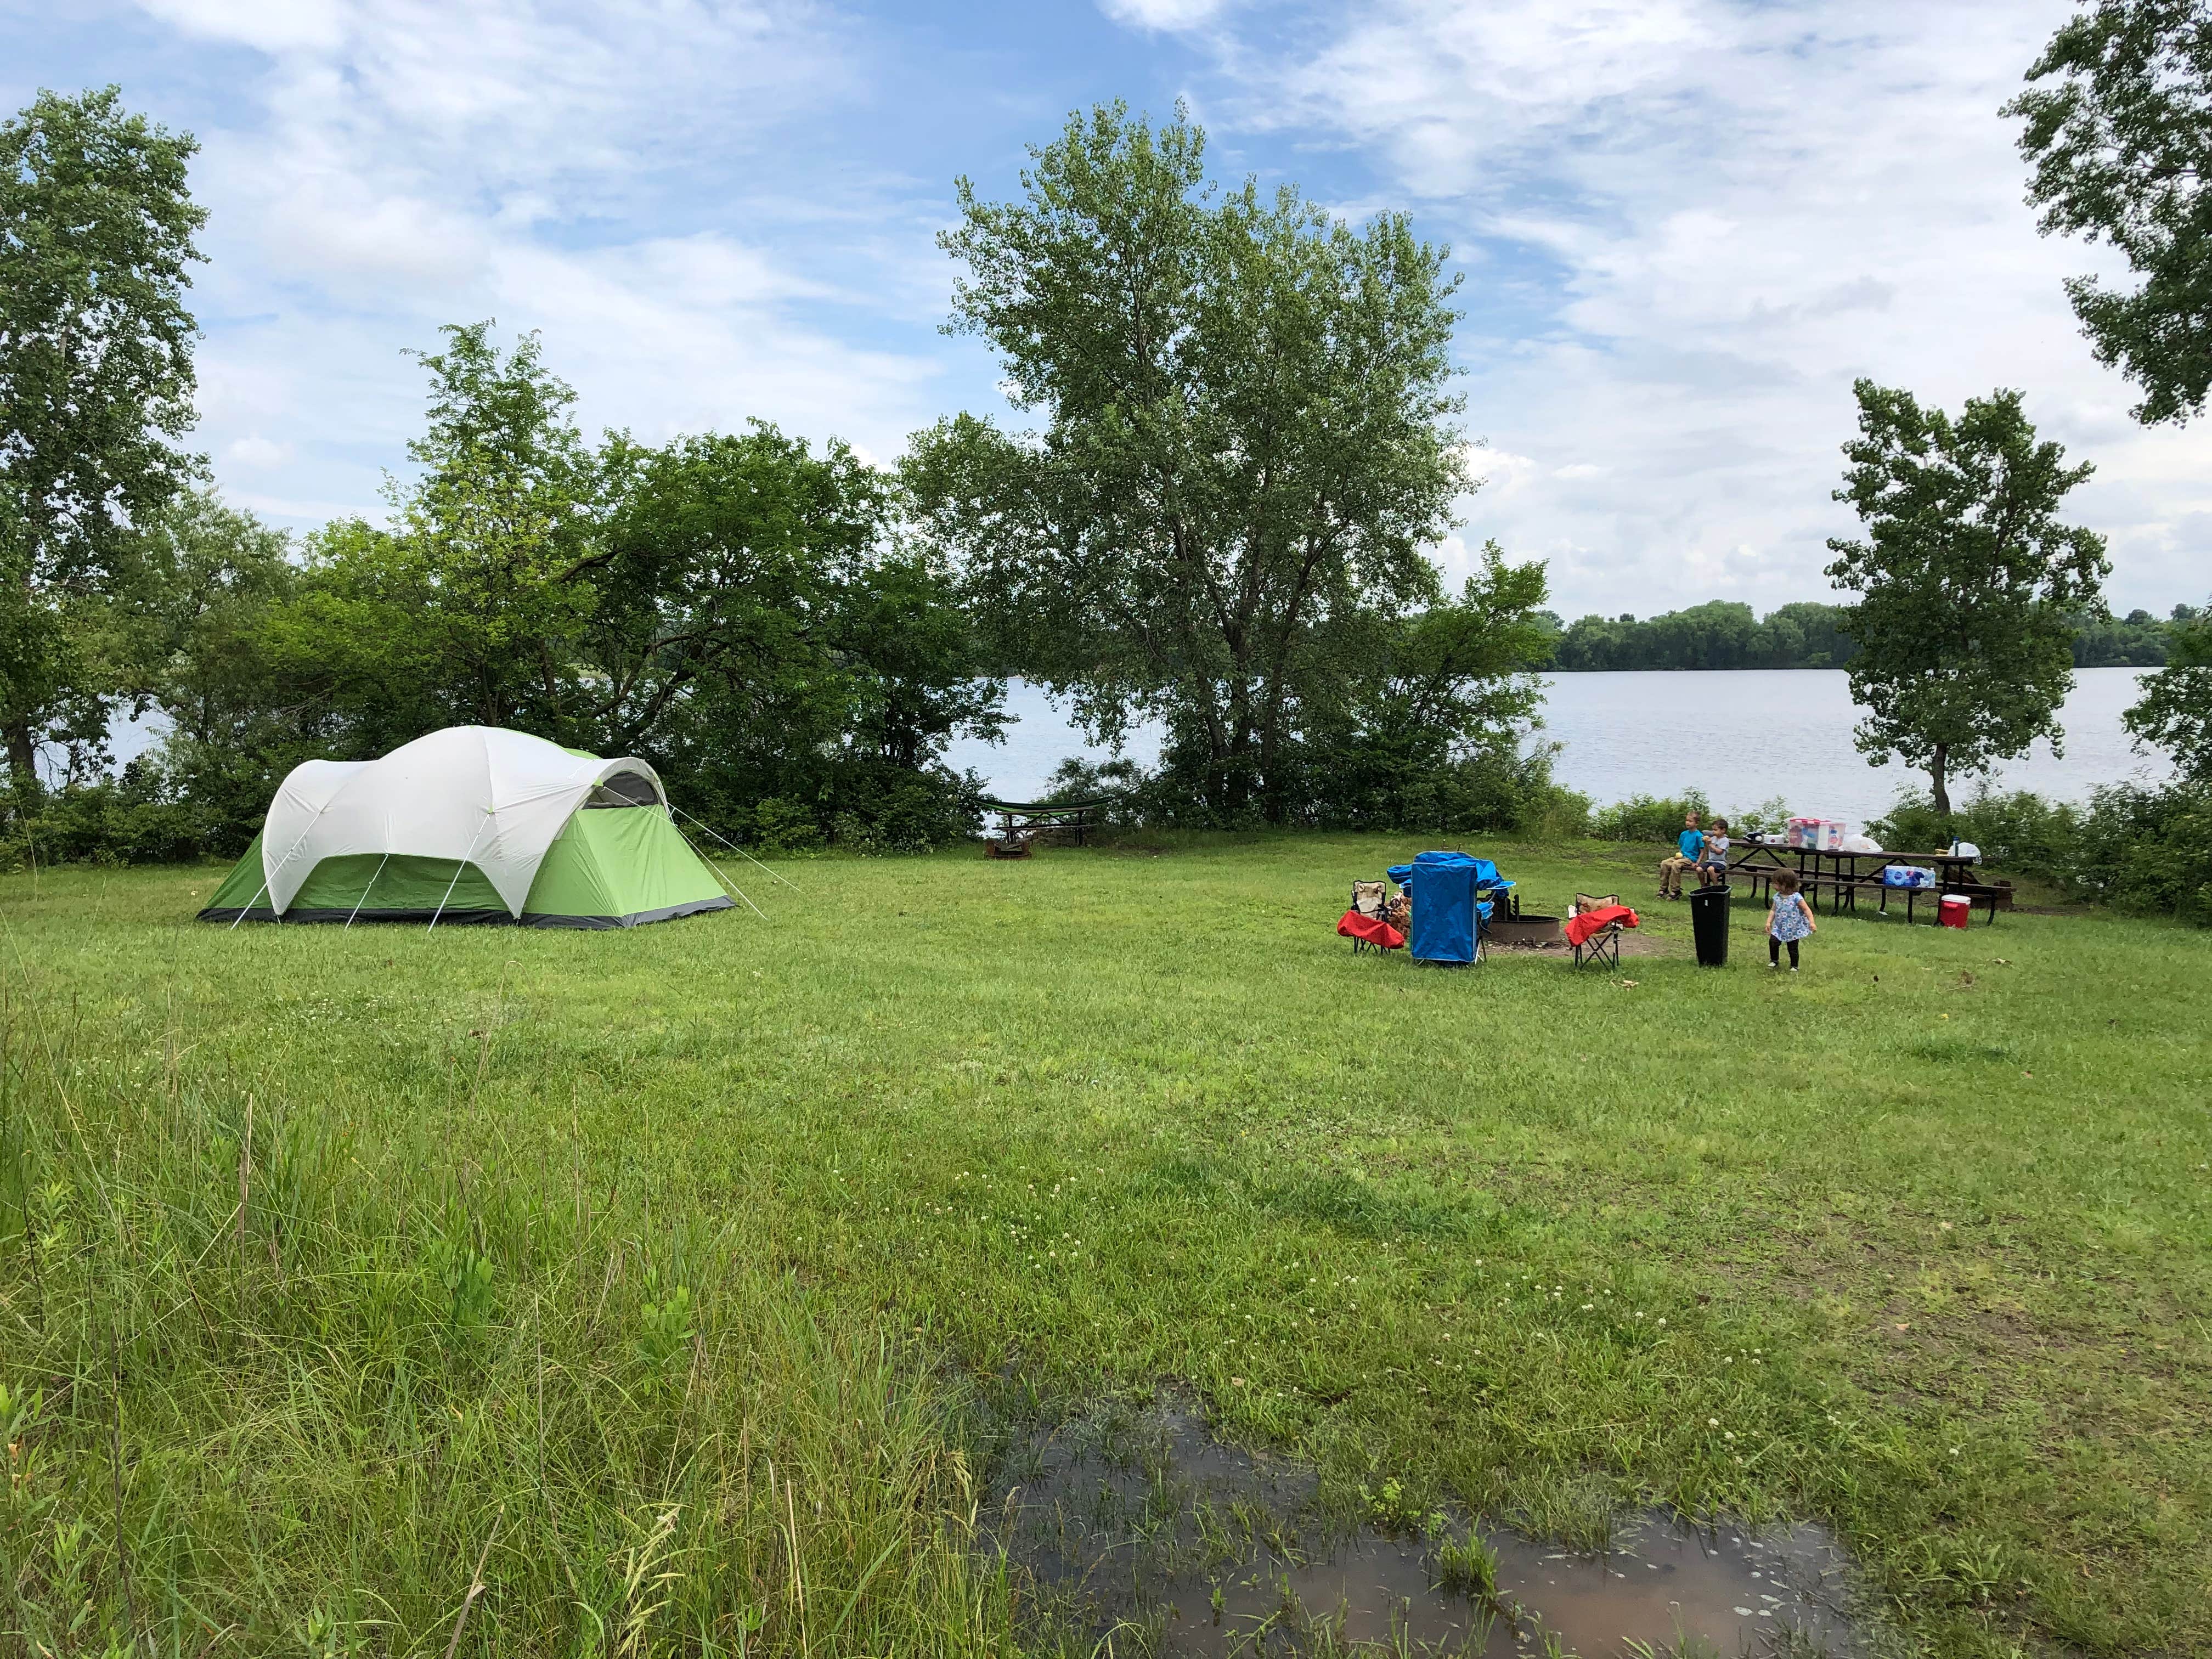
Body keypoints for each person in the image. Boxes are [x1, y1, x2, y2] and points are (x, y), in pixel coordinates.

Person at [1768, 869, 1816, 969]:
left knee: (1793, 947)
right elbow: (1773, 910)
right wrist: (1769, 922)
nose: (1773, 885)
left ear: (1784, 884)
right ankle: (1774, 960)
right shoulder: (1777, 897)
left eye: (1775, 883)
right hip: (1779, 927)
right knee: (1773, 942)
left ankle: (1794, 965)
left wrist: (1812, 922)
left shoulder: (1796, 897)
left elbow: (1806, 910)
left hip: (1793, 928)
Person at [1658, 811, 1702, 899]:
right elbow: (1682, 848)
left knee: (1676, 865)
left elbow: (1702, 851)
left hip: (1691, 858)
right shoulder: (1684, 834)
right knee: (1665, 863)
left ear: (1697, 823)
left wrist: (1697, 862)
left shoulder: (1699, 836)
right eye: (1687, 821)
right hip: (1681, 857)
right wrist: (1678, 856)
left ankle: (1676, 891)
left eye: (1690, 821)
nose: (1688, 823)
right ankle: (1663, 889)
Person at [1698, 817, 1731, 888]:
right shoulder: (1713, 839)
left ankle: (1716, 887)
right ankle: (1703, 886)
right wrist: (1706, 844)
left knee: (1710, 869)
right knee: (1699, 869)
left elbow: (1719, 852)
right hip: (1710, 861)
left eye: (1715, 830)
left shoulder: (1725, 840)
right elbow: (1708, 851)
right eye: (1713, 830)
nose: (1713, 832)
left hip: (1720, 862)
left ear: (1723, 830)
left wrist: (1710, 844)